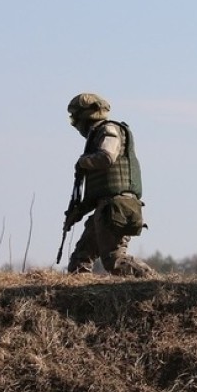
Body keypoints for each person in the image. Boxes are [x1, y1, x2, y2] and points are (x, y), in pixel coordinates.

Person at [64, 92, 155, 277]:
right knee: (80, 260)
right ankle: (83, 299)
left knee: (115, 260)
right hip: (106, 208)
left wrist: (84, 162)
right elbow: (99, 190)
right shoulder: (96, 137)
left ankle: (153, 282)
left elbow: (107, 157)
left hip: (116, 209)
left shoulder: (109, 130)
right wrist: (78, 212)